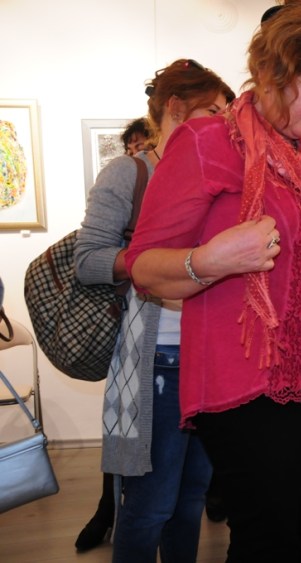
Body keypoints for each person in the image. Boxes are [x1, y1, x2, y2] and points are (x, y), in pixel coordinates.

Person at [124, 2, 301, 561]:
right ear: (272, 74)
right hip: (250, 381)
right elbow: (143, 267)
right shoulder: (206, 142)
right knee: (266, 540)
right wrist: (211, 260)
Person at [74, 59, 235, 562]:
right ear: (175, 108)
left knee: (190, 500)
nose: (221, 124)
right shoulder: (130, 172)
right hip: (158, 359)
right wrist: (162, 262)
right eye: (212, 112)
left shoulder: (218, 172)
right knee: (150, 506)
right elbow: (87, 259)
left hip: (209, 359)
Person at [75, 115, 157, 553]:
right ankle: (105, 510)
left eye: (142, 143)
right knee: (126, 432)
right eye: (132, 146)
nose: (136, 151)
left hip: (171, 334)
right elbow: (90, 259)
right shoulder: (128, 176)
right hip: (128, 326)